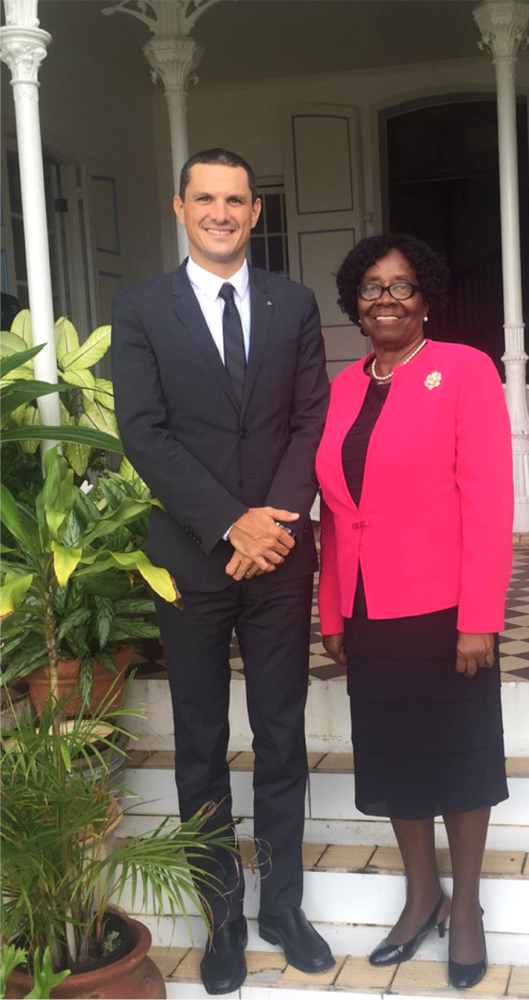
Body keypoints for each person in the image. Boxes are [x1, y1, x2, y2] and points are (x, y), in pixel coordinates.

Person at [112, 148, 332, 995]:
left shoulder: (292, 303)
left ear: (254, 211)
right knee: (200, 743)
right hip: (191, 559)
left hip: (278, 558)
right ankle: (224, 917)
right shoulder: (141, 308)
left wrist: (269, 523)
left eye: (235, 200)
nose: (220, 212)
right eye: (205, 198)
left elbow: (309, 419)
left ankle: (283, 906)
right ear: (181, 208)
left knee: (281, 734)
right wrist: (230, 522)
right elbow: (144, 431)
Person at [316, 234, 513, 990]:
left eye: (402, 285)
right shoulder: (341, 388)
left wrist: (480, 614)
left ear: (426, 297)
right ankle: (421, 894)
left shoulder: (464, 369)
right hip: (370, 608)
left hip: (446, 607)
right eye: (371, 287)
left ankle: (466, 909)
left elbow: (488, 499)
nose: (386, 299)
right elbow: (337, 513)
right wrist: (333, 609)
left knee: (459, 753)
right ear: (355, 304)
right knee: (395, 756)